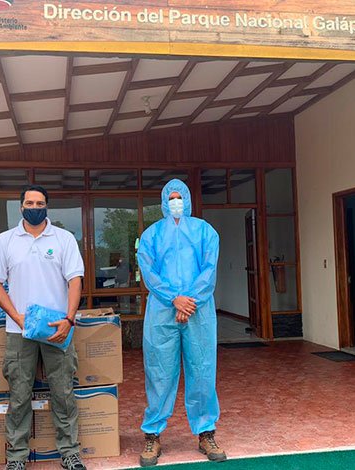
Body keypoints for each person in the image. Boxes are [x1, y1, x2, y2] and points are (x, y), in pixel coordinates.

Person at [0, 185, 86, 470]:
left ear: (47, 207)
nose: (34, 206)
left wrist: (68, 319)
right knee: (19, 394)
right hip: (19, 331)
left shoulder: (64, 239)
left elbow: (75, 280)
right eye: (29, 202)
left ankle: (70, 452)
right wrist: (17, 317)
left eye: (39, 202)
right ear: (21, 207)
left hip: (58, 328)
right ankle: (16, 457)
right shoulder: (6, 241)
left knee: (63, 392)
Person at [136, 179, 226, 467]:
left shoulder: (205, 232)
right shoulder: (150, 235)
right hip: (162, 311)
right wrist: (175, 299)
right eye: (171, 198)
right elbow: (149, 273)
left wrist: (189, 301)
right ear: (164, 202)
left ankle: (205, 433)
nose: (176, 202)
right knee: (159, 372)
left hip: (198, 311)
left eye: (180, 197)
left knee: (202, 370)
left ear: (187, 200)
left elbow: (209, 271)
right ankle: (152, 435)